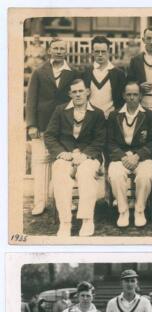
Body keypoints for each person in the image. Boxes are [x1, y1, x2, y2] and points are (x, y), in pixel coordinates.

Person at [44, 78, 106, 237]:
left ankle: (87, 220)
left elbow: (100, 140)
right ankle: (65, 222)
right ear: (70, 94)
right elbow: (50, 136)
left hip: (89, 156)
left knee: (85, 173)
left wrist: (85, 155)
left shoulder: (97, 113)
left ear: (87, 92)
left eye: (81, 91)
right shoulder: (60, 110)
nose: (78, 94)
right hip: (66, 155)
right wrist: (61, 153)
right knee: (59, 173)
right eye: (74, 92)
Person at [26, 38, 78, 216]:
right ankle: (40, 202)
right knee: (41, 163)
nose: (58, 51)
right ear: (49, 50)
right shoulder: (39, 72)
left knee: (62, 164)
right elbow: (31, 100)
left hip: (64, 128)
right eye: (55, 48)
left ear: (66, 52)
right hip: (42, 125)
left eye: (62, 49)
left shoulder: (73, 74)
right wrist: (32, 124)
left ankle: (63, 201)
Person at [107, 81, 152, 228]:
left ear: (141, 96)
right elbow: (109, 142)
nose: (132, 98)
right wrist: (123, 156)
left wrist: (138, 156)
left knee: (145, 176)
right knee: (116, 174)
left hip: (142, 157)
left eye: (135, 94)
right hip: (121, 157)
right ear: (124, 96)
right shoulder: (114, 115)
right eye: (129, 94)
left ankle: (139, 210)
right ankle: (123, 211)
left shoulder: (149, 115)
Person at [82, 36, 126, 118]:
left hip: (111, 119)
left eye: (103, 51)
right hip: (90, 118)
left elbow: (121, 100)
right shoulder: (86, 73)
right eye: (97, 52)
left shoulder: (119, 74)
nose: (100, 55)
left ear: (108, 52)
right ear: (92, 52)